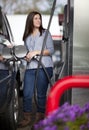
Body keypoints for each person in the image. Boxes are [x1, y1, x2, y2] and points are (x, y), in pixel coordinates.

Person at [18, 11, 54, 127]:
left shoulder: (45, 33)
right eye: (35, 18)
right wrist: (27, 57)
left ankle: (40, 118)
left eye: (39, 18)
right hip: (31, 67)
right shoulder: (26, 36)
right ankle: (27, 118)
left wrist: (36, 52)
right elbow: (27, 52)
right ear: (30, 21)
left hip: (44, 66)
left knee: (41, 94)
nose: (38, 20)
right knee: (27, 93)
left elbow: (51, 50)